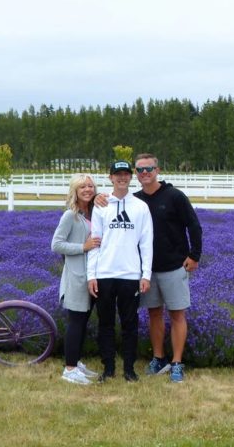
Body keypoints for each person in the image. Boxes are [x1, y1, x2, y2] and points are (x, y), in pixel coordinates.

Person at [132, 153, 202, 383]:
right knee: (153, 314)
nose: (145, 173)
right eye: (140, 170)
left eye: (149, 169)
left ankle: (177, 363)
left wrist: (194, 255)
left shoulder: (174, 196)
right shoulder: (134, 201)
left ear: (158, 170)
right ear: (135, 173)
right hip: (147, 270)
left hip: (174, 266)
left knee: (177, 314)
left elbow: (194, 225)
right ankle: (159, 357)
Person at [87, 160, 153, 382]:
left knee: (130, 323)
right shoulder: (101, 205)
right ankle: (108, 368)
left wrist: (145, 275)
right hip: (104, 274)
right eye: (118, 174)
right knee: (105, 323)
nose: (122, 178)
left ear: (130, 177)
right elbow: (94, 242)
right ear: (111, 178)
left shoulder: (140, 207)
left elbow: (146, 243)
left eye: (126, 174)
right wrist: (91, 275)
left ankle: (129, 369)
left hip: (130, 275)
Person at [50, 173, 103, 385]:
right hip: (76, 277)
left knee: (83, 322)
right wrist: (83, 247)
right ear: (75, 191)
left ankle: (76, 362)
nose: (88, 190)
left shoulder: (95, 211)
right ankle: (69, 369)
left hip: (93, 275)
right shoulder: (69, 216)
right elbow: (56, 244)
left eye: (90, 186)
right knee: (76, 322)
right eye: (83, 187)